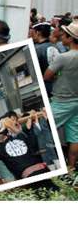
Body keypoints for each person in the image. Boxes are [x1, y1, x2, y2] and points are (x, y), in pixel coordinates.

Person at [44, 20, 78, 170]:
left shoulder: (63, 57)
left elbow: (47, 76)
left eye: (65, 35)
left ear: (71, 39)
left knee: (44, 127)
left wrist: (55, 78)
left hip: (60, 101)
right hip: (76, 101)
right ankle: (71, 170)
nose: (62, 37)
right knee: (74, 137)